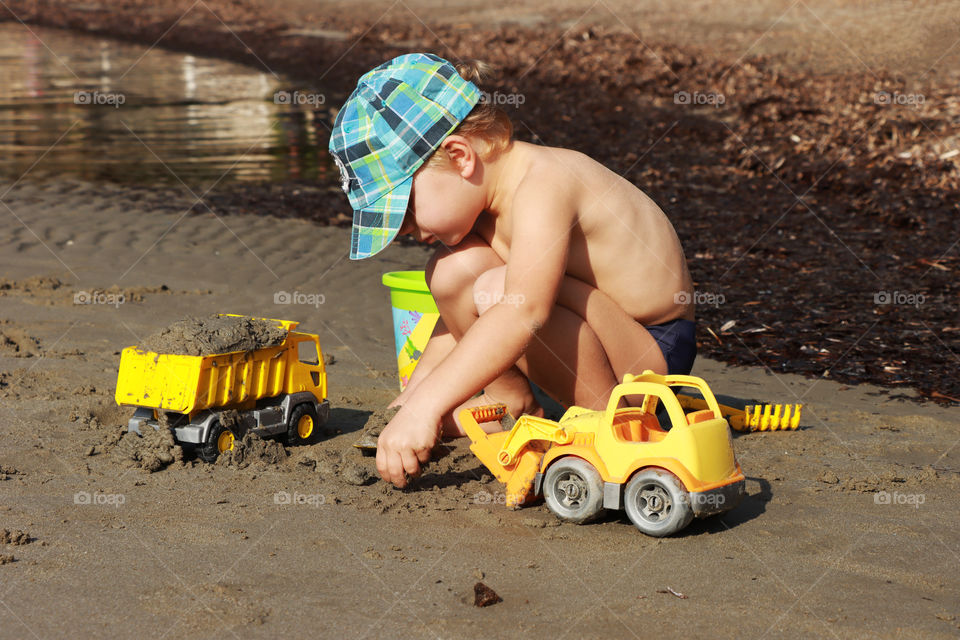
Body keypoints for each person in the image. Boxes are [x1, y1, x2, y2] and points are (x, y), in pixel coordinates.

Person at [328, 53, 696, 488]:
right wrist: (410, 402)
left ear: (460, 156)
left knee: (499, 290)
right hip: (595, 332)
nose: (407, 230)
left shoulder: (544, 184)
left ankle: (606, 426)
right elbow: (453, 324)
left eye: (404, 210)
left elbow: (526, 311)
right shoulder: (483, 204)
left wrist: (428, 407)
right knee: (451, 270)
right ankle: (512, 402)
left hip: (650, 356)